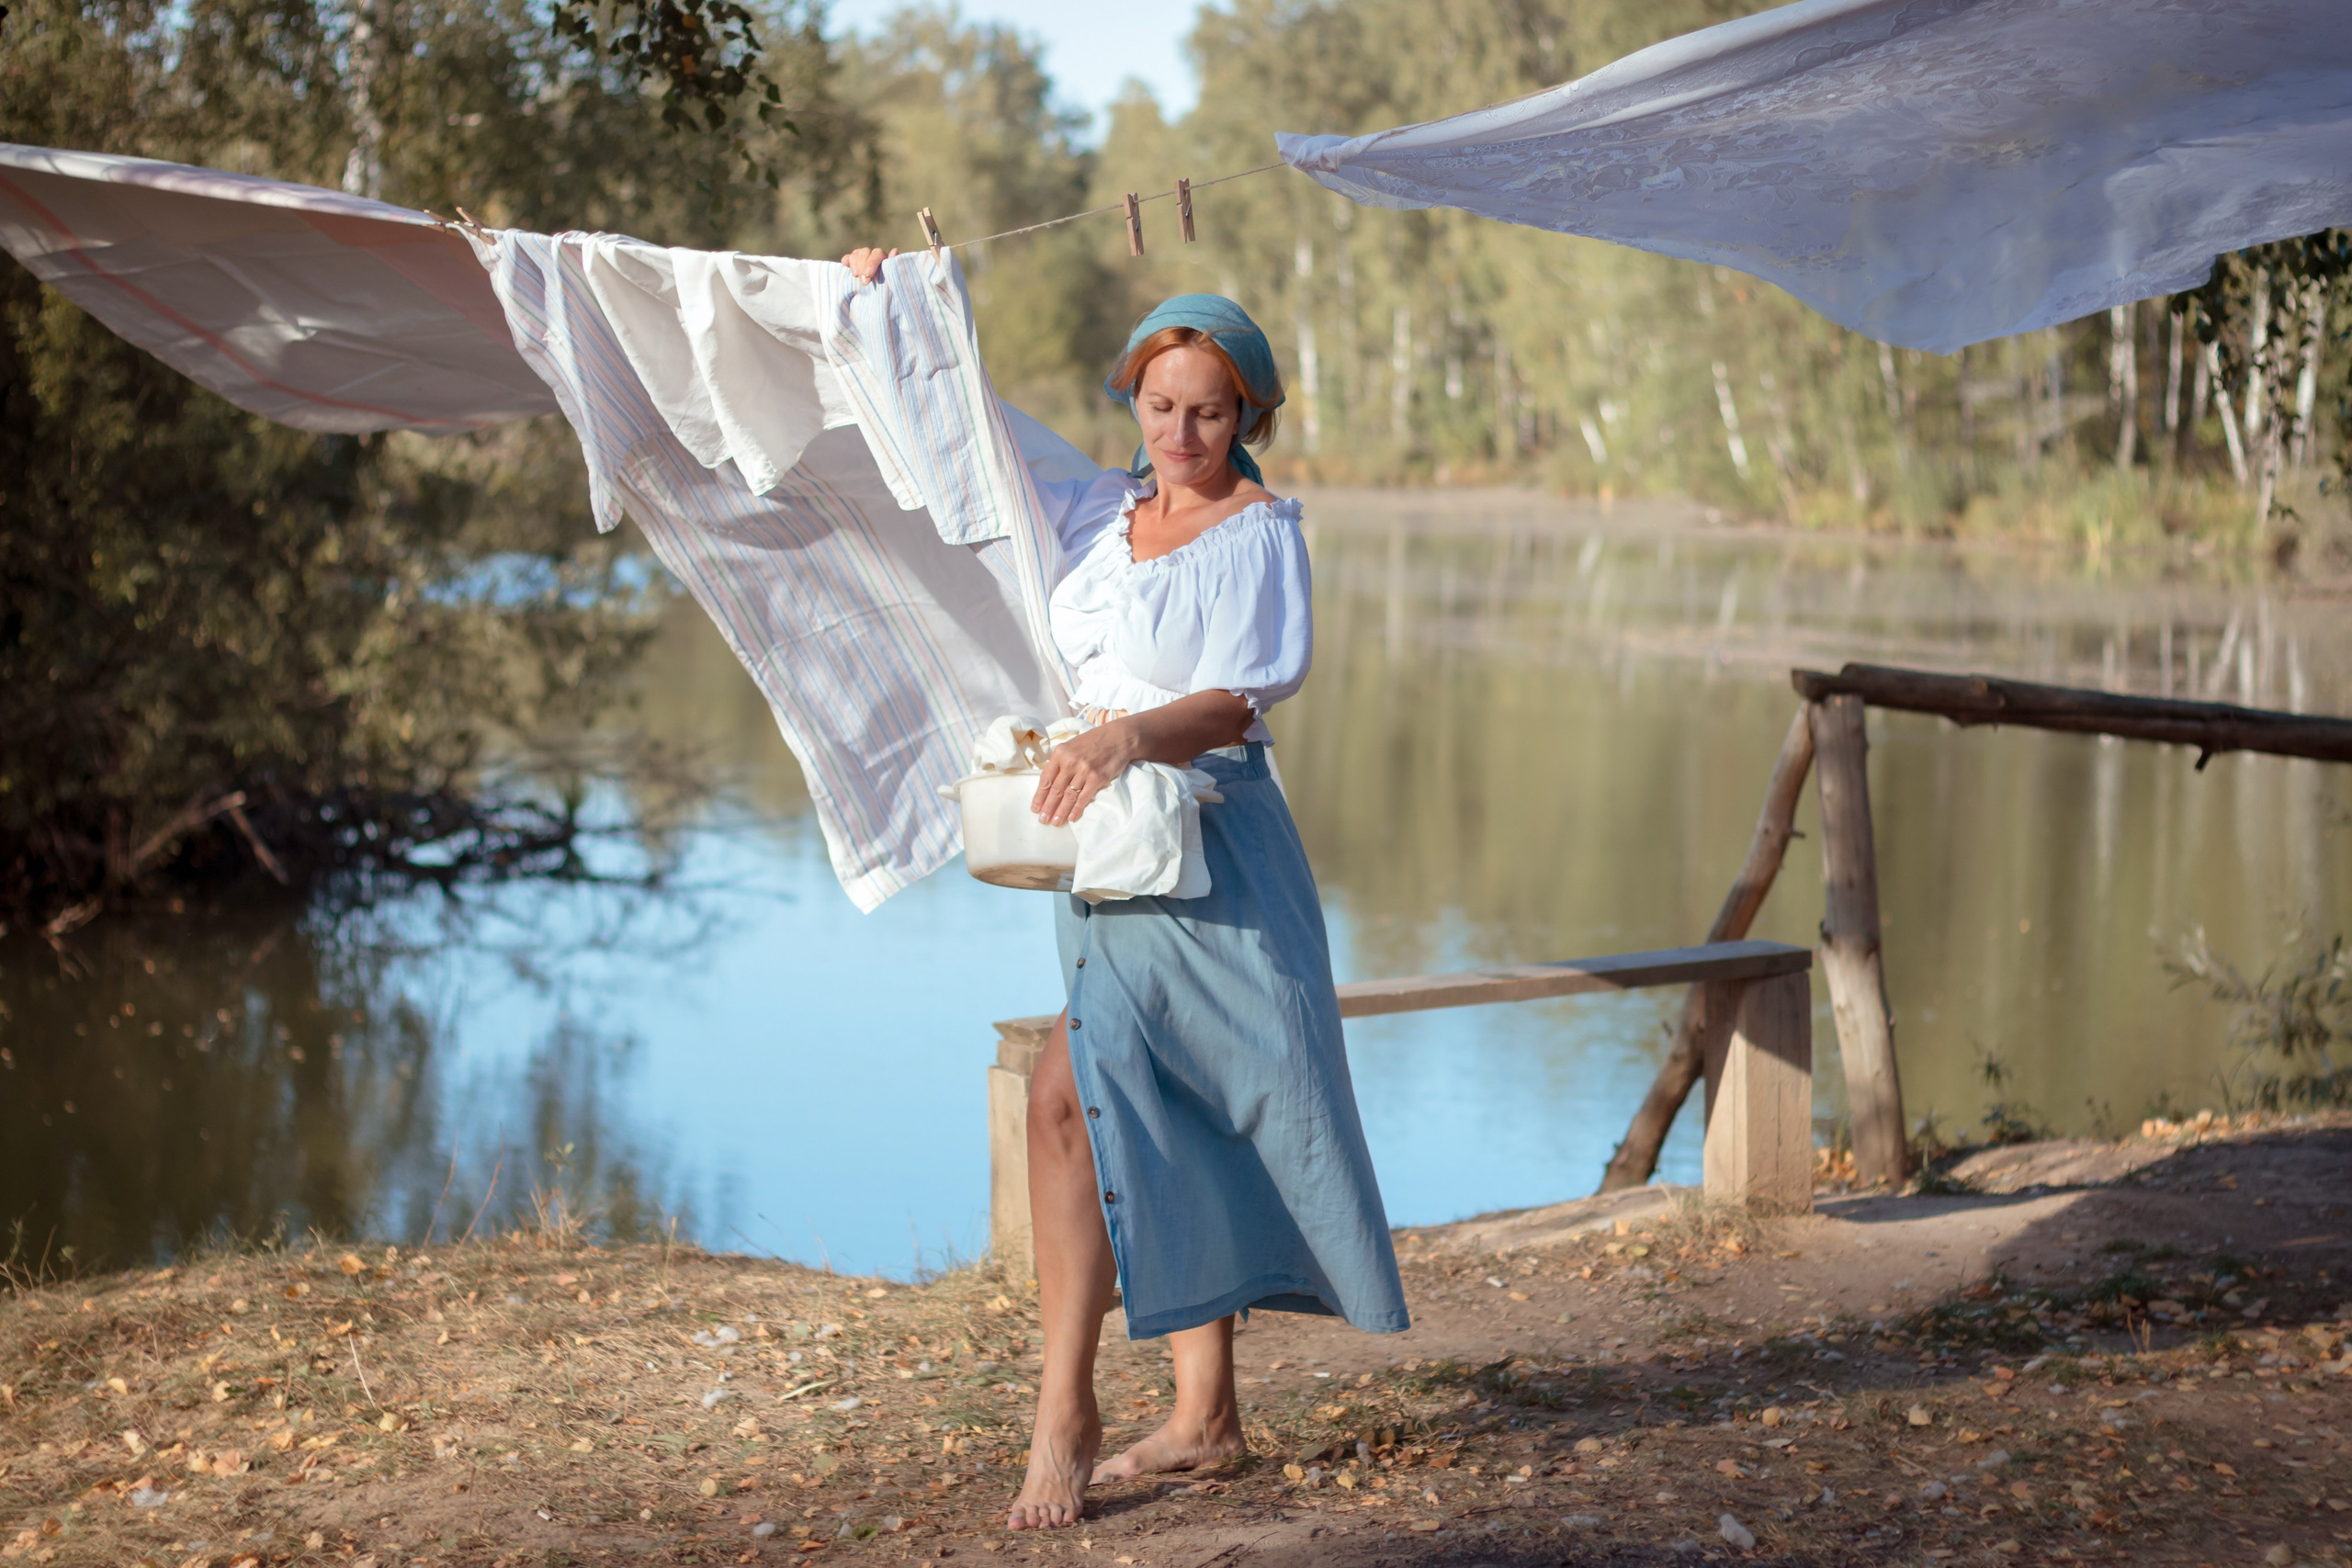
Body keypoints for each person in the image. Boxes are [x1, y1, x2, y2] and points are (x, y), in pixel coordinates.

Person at [843, 249, 1409, 1531]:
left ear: (1247, 415)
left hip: (1212, 849)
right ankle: (1202, 1414)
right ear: (1136, 404)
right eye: (1163, 405)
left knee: (1080, 1099)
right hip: (1109, 851)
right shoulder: (1098, 512)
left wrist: (1121, 737)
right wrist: (887, 307)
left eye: (1210, 409)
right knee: (1132, 1105)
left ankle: (1068, 1417)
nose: (1183, 431)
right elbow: (968, 436)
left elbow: (1240, 696)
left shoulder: (1261, 533)